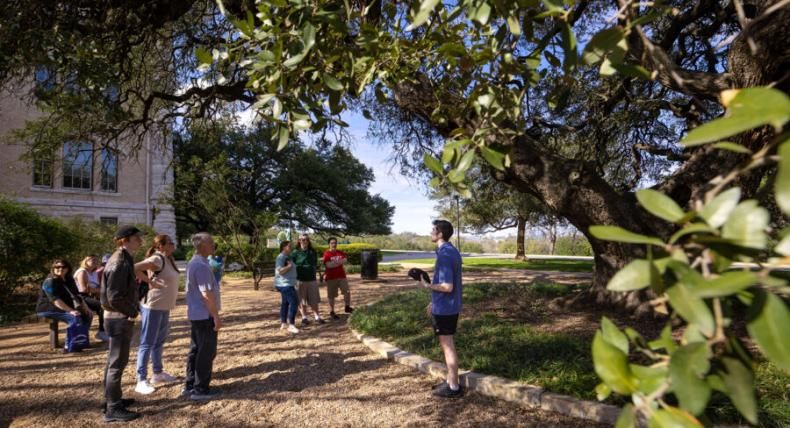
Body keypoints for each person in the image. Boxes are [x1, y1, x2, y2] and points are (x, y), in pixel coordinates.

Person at [414, 220, 464, 398]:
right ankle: (452, 381)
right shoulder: (451, 251)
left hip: (445, 309)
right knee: (447, 345)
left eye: (433, 230)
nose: (430, 233)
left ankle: (454, 387)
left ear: (440, 234)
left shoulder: (444, 255)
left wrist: (427, 286)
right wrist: (433, 302)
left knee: (448, 346)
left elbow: (447, 286)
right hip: (447, 306)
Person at [101, 225, 146, 422]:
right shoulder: (119, 262)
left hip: (118, 317)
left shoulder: (124, 258)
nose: (140, 241)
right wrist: (133, 312)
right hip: (119, 318)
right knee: (116, 364)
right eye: (137, 238)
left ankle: (112, 399)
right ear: (125, 239)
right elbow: (114, 297)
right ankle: (113, 408)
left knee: (114, 362)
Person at [133, 234, 181, 395]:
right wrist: (149, 281)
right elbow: (134, 267)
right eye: (170, 242)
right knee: (147, 343)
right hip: (152, 307)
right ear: (160, 246)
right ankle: (141, 380)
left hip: (163, 307)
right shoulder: (157, 259)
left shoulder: (167, 259)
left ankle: (158, 373)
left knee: (158, 342)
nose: (173, 244)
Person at [183, 232, 223, 401]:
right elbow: (206, 294)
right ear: (204, 245)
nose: (214, 245)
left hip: (197, 313)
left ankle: (191, 384)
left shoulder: (197, 263)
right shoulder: (201, 266)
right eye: (212, 242)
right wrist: (215, 316)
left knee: (196, 349)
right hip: (204, 315)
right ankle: (200, 389)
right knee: (206, 351)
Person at [36, 259, 93, 343]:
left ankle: (82, 341)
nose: (60, 269)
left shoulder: (69, 279)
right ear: (53, 268)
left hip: (62, 307)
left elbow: (77, 295)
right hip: (48, 308)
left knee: (87, 315)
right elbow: (55, 300)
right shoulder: (50, 281)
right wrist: (71, 311)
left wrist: (85, 307)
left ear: (68, 268)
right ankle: (70, 343)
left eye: (63, 267)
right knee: (74, 318)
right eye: (57, 267)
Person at [292, 234, 324, 326]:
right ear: (299, 241)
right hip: (300, 279)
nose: (304, 241)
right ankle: (304, 317)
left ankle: (317, 316)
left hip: (311, 279)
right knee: (301, 300)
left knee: (314, 299)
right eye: (302, 239)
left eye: (305, 239)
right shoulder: (295, 252)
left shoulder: (312, 251)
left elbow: (314, 264)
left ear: (308, 241)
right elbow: (291, 265)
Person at [74, 255, 108, 341]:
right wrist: (100, 290)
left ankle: (104, 331)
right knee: (102, 307)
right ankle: (101, 332)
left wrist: (98, 291)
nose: (95, 261)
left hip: (89, 296)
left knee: (106, 305)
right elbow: (84, 289)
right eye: (92, 260)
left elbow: (95, 288)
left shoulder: (94, 273)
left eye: (96, 260)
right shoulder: (82, 271)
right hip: (79, 297)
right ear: (86, 261)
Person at [322, 237, 353, 319]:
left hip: (342, 276)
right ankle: (332, 311)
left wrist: (334, 263)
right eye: (332, 243)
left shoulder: (340, 252)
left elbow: (345, 260)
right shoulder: (326, 254)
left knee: (347, 292)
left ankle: (347, 307)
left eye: (335, 243)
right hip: (331, 277)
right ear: (329, 244)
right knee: (331, 295)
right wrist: (339, 262)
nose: (334, 244)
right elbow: (328, 265)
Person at [274, 240, 300, 333]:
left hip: (287, 283)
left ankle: (284, 323)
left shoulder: (286, 257)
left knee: (285, 303)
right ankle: (291, 325)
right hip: (285, 284)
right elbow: (279, 271)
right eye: (289, 246)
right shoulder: (281, 257)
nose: (291, 247)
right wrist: (289, 266)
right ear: (284, 247)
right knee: (294, 302)